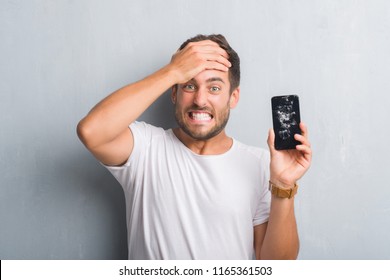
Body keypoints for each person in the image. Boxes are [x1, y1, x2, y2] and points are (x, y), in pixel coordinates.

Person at [77, 34, 312, 260]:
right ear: (174, 92)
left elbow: (276, 265)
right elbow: (91, 132)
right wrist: (172, 71)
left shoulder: (260, 164)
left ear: (233, 97)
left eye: (215, 88)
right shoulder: (144, 148)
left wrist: (283, 186)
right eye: (189, 86)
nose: (200, 100)